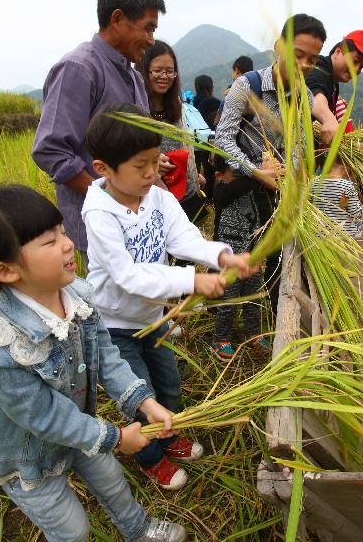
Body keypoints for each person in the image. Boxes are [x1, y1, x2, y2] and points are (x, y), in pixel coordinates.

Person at [0, 184, 186, 542]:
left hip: (78, 428)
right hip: (25, 453)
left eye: (62, 232)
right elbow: (45, 416)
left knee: (113, 481)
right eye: (49, 242)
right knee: (72, 529)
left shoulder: (77, 294)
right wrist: (114, 437)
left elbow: (106, 355)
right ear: (5, 271)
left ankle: (139, 531)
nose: (67, 244)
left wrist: (143, 401)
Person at [81, 104, 258, 490]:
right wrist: (192, 282)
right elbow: (128, 276)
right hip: (114, 325)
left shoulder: (157, 197)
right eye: (140, 165)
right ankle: (149, 456)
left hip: (151, 318)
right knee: (138, 395)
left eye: (154, 160)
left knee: (170, 385)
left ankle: (168, 434)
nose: (152, 172)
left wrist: (223, 256)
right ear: (103, 169)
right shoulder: (99, 213)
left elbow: (183, 238)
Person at [32, 0, 168, 267]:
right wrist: (111, 195)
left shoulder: (132, 76)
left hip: (137, 224)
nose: (151, 40)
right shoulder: (78, 69)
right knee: (107, 309)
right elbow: (50, 150)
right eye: (147, 28)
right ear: (117, 19)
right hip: (101, 231)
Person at [215, 13, 326, 317]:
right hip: (240, 191)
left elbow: (300, 145)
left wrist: (288, 176)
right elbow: (222, 139)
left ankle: (268, 324)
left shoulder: (303, 94)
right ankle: (223, 331)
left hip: (275, 196)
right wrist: (255, 171)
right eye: (297, 54)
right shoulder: (246, 86)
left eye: (312, 60)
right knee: (238, 259)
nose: (303, 64)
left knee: (276, 260)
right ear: (279, 45)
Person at [138, 40, 207, 224]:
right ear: (144, 71)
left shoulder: (175, 102)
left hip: (186, 192)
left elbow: (184, 144)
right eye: (158, 70)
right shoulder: (136, 107)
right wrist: (150, 163)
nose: (164, 76)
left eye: (170, 71)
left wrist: (193, 174)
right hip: (154, 199)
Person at [210, 154, 267, 360]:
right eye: (235, 172)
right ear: (219, 175)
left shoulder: (252, 189)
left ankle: (252, 333)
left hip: (252, 252)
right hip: (230, 255)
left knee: (252, 296)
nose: (241, 176)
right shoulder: (222, 192)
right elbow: (240, 186)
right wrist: (258, 173)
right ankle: (220, 339)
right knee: (230, 299)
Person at [305, 30, 363, 146]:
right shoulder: (319, 67)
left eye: (361, 67)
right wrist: (329, 119)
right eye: (355, 61)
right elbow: (314, 95)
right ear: (338, 52)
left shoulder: (334, 85)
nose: (357, 70)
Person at [311, 160, 363, 238]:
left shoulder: (313, 183)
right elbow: (356, 214)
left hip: (320, 235)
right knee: (359, 225)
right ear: (344, 166)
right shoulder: (346, 185)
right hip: (345, 236)